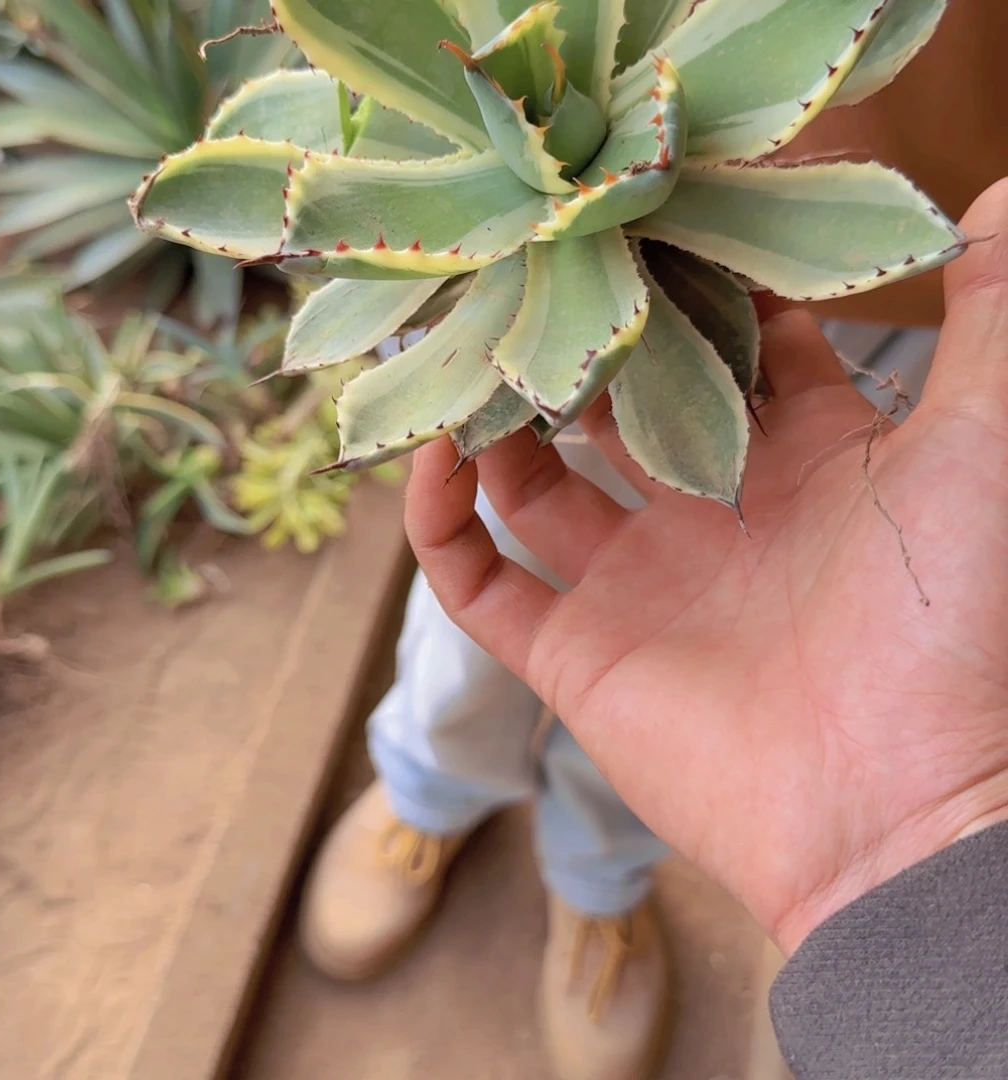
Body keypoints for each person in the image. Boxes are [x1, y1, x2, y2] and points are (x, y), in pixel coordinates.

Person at [400, 177, 1008, 1079]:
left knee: (667, 663)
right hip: (496, 246)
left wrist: (922, 844)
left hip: (876, 257)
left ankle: (597, 880)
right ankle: (425, 789)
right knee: (500, 533)